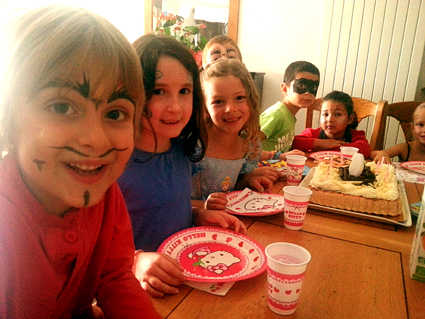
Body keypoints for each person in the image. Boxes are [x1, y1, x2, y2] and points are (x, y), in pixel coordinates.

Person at [0, 5, 161, 318]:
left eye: (115, 114)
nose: (96, 139)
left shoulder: (107, 197)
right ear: (8, 119)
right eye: (61, 107)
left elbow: (114, 277)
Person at [117, 34, 246, 298]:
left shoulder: (182, 150)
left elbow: (163, 206)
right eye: (158, 91)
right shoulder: (115, 162)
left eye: (184, 91)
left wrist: (196, 214)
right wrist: (135, 260)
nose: (175, 107)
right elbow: (93, 240)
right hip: (137, 288)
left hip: (188, 277)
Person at [192, 58, 277, 209]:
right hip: (190, 226)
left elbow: (230, 184)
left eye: (240, 98)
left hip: (229, 222)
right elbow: (171, 201)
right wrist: (204, 205)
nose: (230, 108)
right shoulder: (194, 145)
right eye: (218, 101)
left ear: (251, 101)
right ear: (204, 107)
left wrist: (246, 182)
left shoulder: (249, 146)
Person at [259, 61, 320, 160]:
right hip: (261, 168)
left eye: (313, 87)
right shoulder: (276, 114)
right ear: (284, 89)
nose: (308, 92)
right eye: (301, 86)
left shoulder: (289, 115)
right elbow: (248, 145)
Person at [292, 90, 371, 158]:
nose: (330, 119)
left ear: (349, 119)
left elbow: (365, 150)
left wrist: (331, 146)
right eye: (325, 114)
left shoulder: (356, 136)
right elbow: (293, 142)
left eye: (337, 114)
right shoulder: (312, 133)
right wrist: (319, 143)